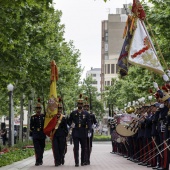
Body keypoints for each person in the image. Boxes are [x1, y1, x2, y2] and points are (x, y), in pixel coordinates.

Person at [68, 94, 91, 167]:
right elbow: (69, 121)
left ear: (83, 104)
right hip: (76, 132)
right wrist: (71, 125)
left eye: (81, 103)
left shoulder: (86, 113)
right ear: (77, 104)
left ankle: (82, 161)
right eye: (79, 103)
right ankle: (76, 162)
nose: (80, 105)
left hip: (83, 131)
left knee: (84, 148)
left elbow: (89, 123)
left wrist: (89, 130)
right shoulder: (73, 113)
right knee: (76, 148)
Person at [51, 97, 68, 166]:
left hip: (62, 135)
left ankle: (62, 158)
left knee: (61, 148)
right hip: (55, 135)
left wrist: (65, 134)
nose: (59, 110)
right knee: (55, 149)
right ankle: (57, 161)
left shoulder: (63, 117)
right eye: (58, 108)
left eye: (60, 108)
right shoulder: (53, 117)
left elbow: (65, 127)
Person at [30, 100, 46, 166]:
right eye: (37, 108)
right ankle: (37, 161)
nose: (38, 110)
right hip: (36, 134)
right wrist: (32, 134)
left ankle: (41, 159)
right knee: (37, 148)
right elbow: (31, 127)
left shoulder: (43, 116)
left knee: (42, 148)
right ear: (36, 109)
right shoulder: (33, 117)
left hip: (42, 134)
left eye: (39, 108)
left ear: (41, 109)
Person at [83, 97, 97, 165]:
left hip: (89, 131)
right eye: (85, 107)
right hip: (83, 131)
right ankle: (84, 158)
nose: (86, 108)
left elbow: (95, 123)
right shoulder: (82, 114)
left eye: (87, 107)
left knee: (89, 145)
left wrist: (93, 126)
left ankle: (88, 158)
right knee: (84, 145)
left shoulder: (92, 115)